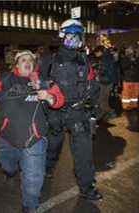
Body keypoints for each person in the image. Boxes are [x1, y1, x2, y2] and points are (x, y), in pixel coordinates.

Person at [0, 50, 64, 213]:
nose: (27, 62)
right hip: (8, 137)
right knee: (7, 164)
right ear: (17, 64)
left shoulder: (42, 81)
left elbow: (58, 97)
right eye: (23, 60)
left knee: (33, 177)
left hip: (34, 138)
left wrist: (49, 97)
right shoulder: (5, 79)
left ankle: (29, 206)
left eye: (30, 60)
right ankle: (10, 170)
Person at [45, 19, 102, 201]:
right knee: (53, 146)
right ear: (64, 36)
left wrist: (93, 109)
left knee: (83, 152)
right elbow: (37, 84)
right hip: (55, 112)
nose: (75, 39)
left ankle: (87, 187)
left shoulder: (84, 61)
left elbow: (92, 85)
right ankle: (47, 168)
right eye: (71, 35)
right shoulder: (49, 61)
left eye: (77, 36)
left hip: (78, 112)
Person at [120, 46, 139, 131]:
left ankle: (133, 106)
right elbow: (123, 67)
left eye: (131, 50)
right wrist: (131, 62)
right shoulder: (124, 59)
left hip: (135, 80)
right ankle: (126, 107)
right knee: (127, 95)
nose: (130, 52)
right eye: (128, 50)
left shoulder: (138, 58)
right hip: (128, 79)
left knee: (134, 95)